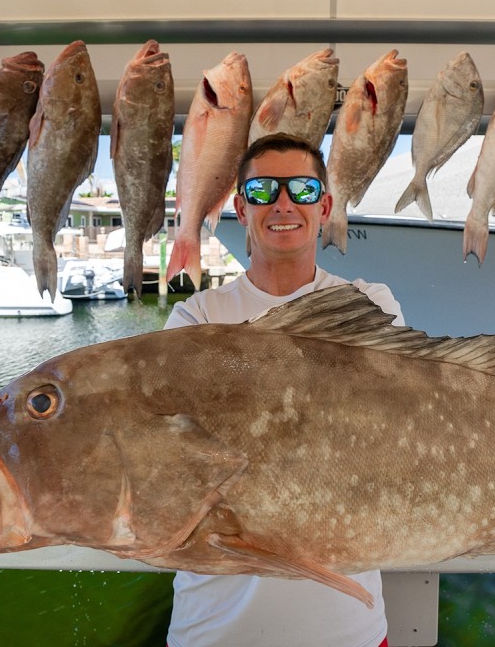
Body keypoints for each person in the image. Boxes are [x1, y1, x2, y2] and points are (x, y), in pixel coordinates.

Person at [163, 132, 403, 647]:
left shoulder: (369, 302)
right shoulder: (196, 315)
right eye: (265, 190)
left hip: (351, 633)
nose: (284, 203)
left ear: (326, 205)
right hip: (213, 633)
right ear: (241, 206)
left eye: (302, 188)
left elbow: (382, 434)